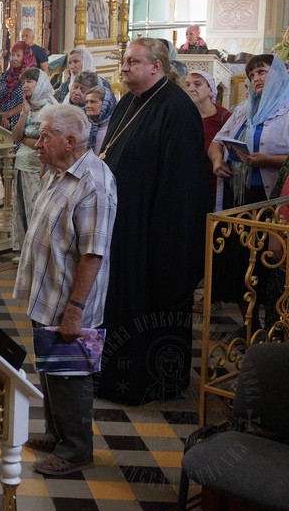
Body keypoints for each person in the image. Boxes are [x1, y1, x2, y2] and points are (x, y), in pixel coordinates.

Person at [97, 38, 207, 405]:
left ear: (156, 67)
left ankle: (150, 382)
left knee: (145, 307)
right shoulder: (128, 102)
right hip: (121, 226)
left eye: (132, 61)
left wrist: (162, 240)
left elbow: (182, 186)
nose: (124, 67)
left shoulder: (177, 109)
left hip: (153, 233)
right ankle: (112, 376)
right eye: (125, 61)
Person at [14, 104, 117, 477]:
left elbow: (93, 254)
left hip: (70, 301)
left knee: (71, 374)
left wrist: (76, 308)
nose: (38, 142)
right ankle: (57, 433)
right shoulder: (59, 171)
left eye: (45, 136)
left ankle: (76, 449)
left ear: (70, 141)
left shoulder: (94, 183)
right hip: (48, 293)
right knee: (51, 369)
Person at [208, 55, 288, 328]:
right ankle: (249, 327)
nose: (256, 79)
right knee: (242, 264)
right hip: (240, 198)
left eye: (262, 72)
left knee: (271, 265)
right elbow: (217, 143)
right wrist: (217, 161)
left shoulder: (287, 110)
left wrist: (268, 160)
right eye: (252, 75)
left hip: (273, 201)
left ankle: (276, 328)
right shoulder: (243, 110)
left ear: (278, 75)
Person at [12, 67, 59, 250]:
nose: (25, 85)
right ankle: (24, 250)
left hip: (39, 169)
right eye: (23, 82)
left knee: (36, 211)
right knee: (22, 210)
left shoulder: (51, 109)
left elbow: (46, 143)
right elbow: (16, 136)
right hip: (22, 165)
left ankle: (36, 252)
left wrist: (25, 139)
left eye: (30, 81)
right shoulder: (29, 108)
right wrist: (24, 113)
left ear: (40, 84)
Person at [185, 69, 229, 208]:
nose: (191, 89)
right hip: (189, 187)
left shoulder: (225, 117)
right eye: (187, 85)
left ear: (210, 90)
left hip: (215, 187)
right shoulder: (183, 116)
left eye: (197, 84)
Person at [0, 42, 29, 129]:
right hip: (1, 122)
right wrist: (0, 116)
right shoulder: (4, 75)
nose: (14, 58)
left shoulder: (29, 77)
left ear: (25, 57)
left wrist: (8, 114)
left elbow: (29, 102)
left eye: (18, 55)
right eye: (12, 55)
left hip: (20, 122)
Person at [82, 86, 114, 154]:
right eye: (86, 102)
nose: (88, 106)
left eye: (92, 102)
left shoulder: (115, 129)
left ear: (106, 104)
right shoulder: (83, 127)